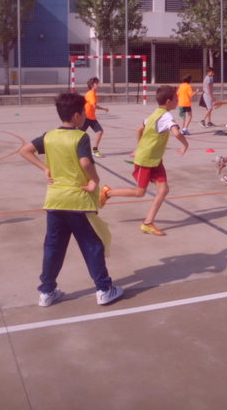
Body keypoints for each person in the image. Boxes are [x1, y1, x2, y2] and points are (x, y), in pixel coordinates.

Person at [19, 92, 123, 307]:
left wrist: (45, 168)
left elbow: (25, 150)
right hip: (78, 201)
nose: (85, 115)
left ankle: (47, 291)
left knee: (53, 247)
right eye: (84, 112)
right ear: (77, 116)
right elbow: (85, 163)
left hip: (55, 200)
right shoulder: (80, 137)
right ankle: (104, 289)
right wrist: (94, 180)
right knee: (92, 245)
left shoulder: (49, 136)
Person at [99, 85, 188, 236]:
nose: (178, 101)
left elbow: (139, 129)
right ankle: (108, 193)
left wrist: (140, 147)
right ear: (168, 101)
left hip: (155, 159)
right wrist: (185, 145)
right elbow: (177, 133)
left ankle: (148, 223)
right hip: (146, 160)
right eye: (176, 99)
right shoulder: (166, 116)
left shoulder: (155, 114)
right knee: (140, 192)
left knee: (163, 190)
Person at [81, 77, 108, 158]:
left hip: (91, 117)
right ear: (92, 85)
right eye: (97, 83)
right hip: (86, 118)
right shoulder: (91, 94)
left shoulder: (93, 93)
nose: (99, 85)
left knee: (99, 131)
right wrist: (104, 108)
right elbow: (94, 105)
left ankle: (95, 150)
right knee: (78, 134)